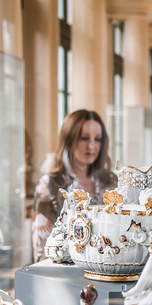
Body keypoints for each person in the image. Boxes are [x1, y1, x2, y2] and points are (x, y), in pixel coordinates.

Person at [32, 109, 116, 261]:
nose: (92, 146)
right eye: (84, 138)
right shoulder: (49, 184)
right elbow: (42, 250)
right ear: (69, 139)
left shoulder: (112, 181)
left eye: (97, 139)